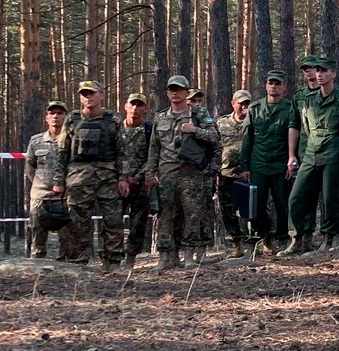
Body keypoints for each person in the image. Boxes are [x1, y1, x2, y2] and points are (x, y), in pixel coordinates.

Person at [282, 56, 339, 255]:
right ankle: (297, 239)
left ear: (332, 74)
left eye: (324, 71)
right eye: (317, 71)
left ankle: (330, 237)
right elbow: (303, 127)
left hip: (332, 154)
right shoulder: (308, 99)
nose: (319, 74)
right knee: (296, 197)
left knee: (331, 197)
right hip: (310, 153)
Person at [145, 75, 221, 269]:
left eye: (179, 89)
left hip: (191, 172)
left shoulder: (199, 115)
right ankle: (166, 256)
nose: (175, 93)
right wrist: (150, 173)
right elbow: (154, 148)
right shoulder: (161, 117)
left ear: (186, 93)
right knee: (166, 215)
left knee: (192, 214)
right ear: (167, 92)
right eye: (172, 89)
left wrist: (195, 130)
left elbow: (214, 137)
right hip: (167, 172)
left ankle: (189, 256)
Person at [54, 80, 130, 271]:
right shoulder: (72, 119)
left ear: (101, 95)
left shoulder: (113, 119)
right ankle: (78, 262)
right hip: (78, 178)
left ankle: (112, 262)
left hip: (108, 178)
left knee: (113, 221)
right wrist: (58, 181)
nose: (88, 97)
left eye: (92, 93)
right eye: (84, 94)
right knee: (77, 223)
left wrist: (123, 178)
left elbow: (122, 152)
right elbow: (62, 151)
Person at [239, 70, 295, 254]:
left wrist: (291, 162)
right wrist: (245, 166)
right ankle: (263, 236)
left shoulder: (290, 108)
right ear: (265, 85)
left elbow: (295, 137)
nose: (274, 86)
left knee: (283, 204)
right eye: (271, 83)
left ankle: (282, 239)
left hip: (281, 166)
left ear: (284, 86)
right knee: (256, 205)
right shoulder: (255, 109)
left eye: (278, 83)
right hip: (259, 165)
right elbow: (247, 140)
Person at [26, 101, 68, 260]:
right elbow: (30, 166)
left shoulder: (70, 140)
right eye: (52, 113)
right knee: (38, 234)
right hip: (40, 196)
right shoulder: (36, 141)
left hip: (64, 197)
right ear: (46, 118)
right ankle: (37, 268)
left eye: (60, 113)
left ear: (65, 116)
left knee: (67, 237)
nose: (56, 116)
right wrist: (42, 184)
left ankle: (65, 269)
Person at [216, 90, 252, 258]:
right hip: (227, 173)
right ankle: (237, 245)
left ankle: (261, 242)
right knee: (227, 211)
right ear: (233, 104)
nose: (244, 107)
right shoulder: (221, 123)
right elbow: (215, 147)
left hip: (250, 173)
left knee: (256, 209)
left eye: (247, 103)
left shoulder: (255, 122)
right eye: (241, 103)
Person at [120, 93, 154, 269]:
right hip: (118, 184)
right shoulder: (116, 129)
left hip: (140, 185)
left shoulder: (149, 131)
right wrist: (123, 178)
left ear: (145, 109)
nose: (135, 108)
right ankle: (111, 259)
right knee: (113, 223)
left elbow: (152, 156)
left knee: (138, 224)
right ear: (126, 106)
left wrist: (138, 177)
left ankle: (130, 259)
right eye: (132, 104)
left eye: (139, 105)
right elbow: (111, 155)